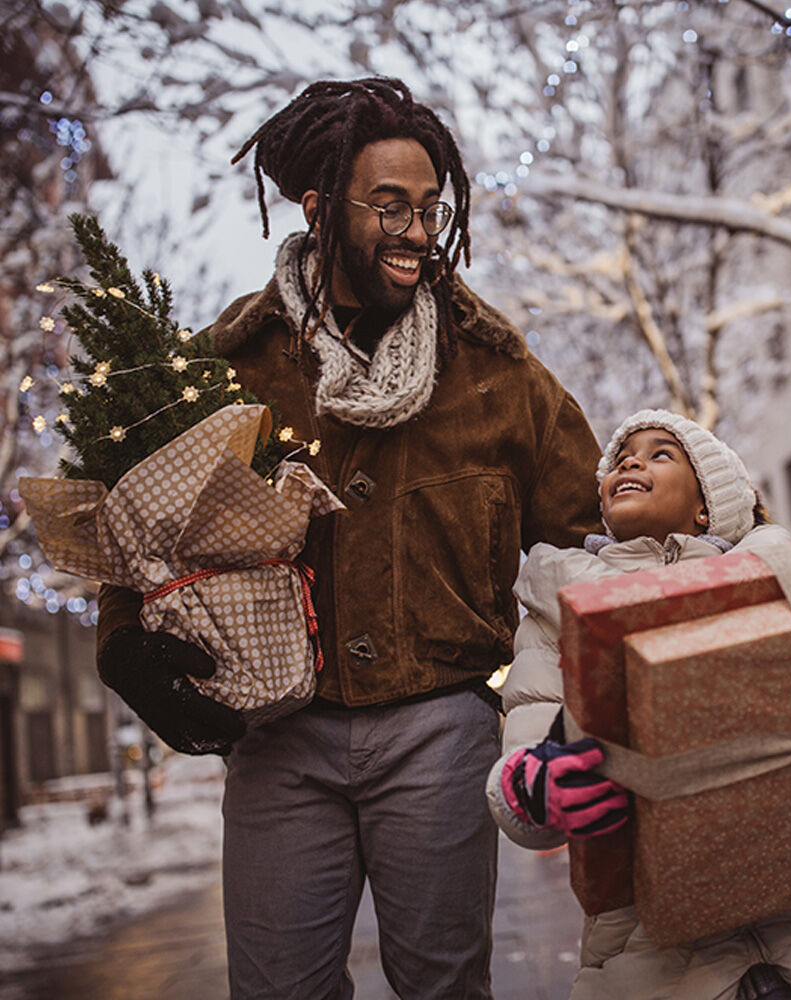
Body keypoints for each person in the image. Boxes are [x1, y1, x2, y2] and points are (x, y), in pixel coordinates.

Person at [93, 77, 603, 999]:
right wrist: (123, 642)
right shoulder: (229, 369)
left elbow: (606, 540)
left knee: (444, 987)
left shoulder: (496, 372)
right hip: (279, 740)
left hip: (443, 729)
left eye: (431, 209)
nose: (417, 231)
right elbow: (138, 529)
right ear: (321, 207)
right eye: (391, 206)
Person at [486, 408, 791, 1000]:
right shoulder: (556, 614)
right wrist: (532, 791)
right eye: (621, 457)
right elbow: (523, 760)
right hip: (647, 959)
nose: (630, 461)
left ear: (707, 506)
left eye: (660, 453)